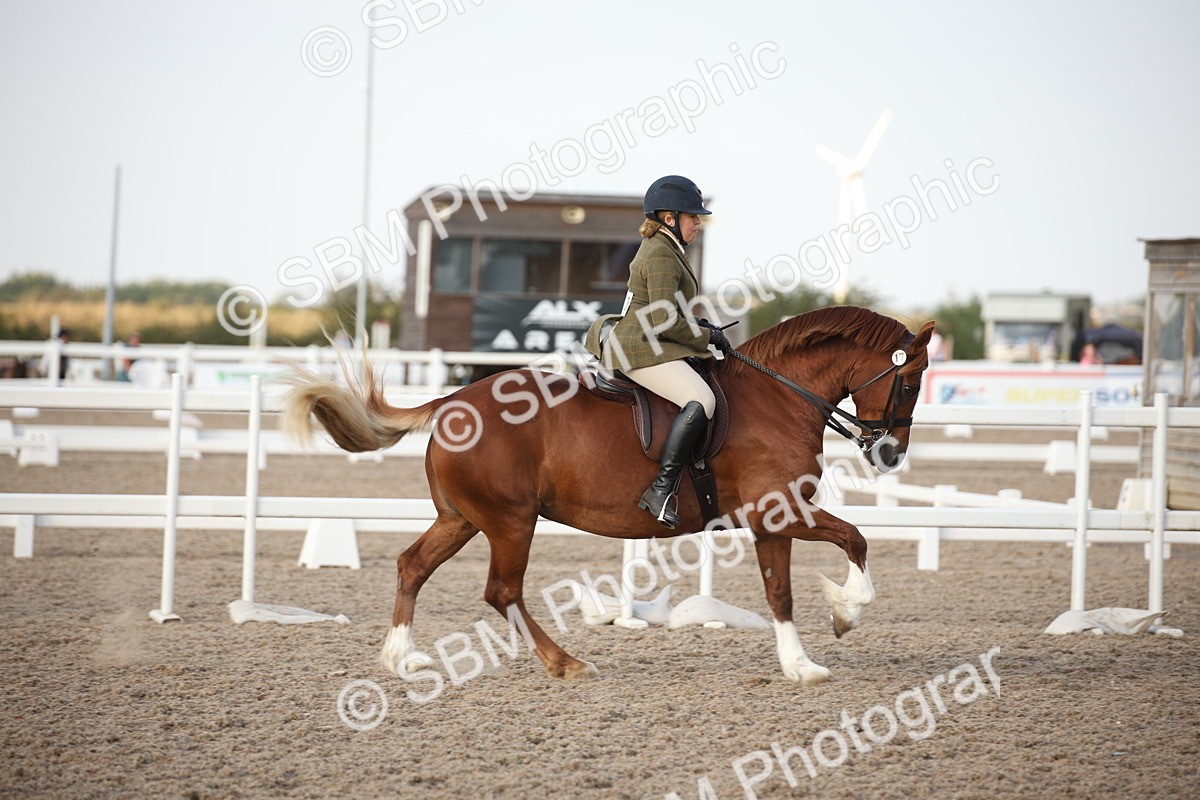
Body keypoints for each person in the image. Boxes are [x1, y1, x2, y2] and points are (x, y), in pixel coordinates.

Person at [584, 175, 732, 529]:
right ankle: (661, 489)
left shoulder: (666, 249)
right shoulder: (663, 254)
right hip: (637, 348)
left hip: (647, 340)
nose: (698, 223)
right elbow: (664, 320)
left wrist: (702, 328)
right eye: (692, 217)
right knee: (702, 400)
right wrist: (704, 337)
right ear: (670, 219)